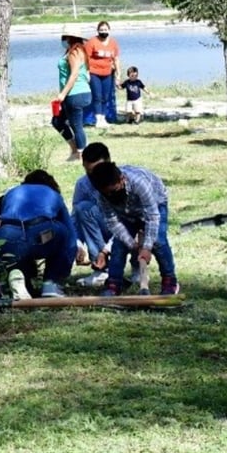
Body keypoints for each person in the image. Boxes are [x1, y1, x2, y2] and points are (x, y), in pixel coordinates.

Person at [88, 160, 180, 297]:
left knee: (158, 241)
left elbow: (152, 217)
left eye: (113, 191)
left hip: (155, 204)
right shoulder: (102, 196)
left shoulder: (140, 184)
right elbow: (113, 222)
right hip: (125, 211)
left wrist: (147, 247)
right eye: (106, 193)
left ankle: (170, 281)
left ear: (122, 179)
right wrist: (132, 245)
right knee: (119, 245)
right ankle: (114, 284)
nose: (110, 196)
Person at [0, 170, 77, 298]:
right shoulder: (53, 194)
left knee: (16, 242)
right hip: (39, 236)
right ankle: (51, 284)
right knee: (63, 232)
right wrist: (69, 259)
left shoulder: (11, 193)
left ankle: (19, 278)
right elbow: (71, 233)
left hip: (6, 239)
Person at [72, 141, 138, 288]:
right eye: (90, 173)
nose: (95, 177)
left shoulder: (123, 182)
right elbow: (75, 218)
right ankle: (101, 269)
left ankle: (137, 268)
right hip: (104, 229)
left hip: (127, 228)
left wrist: (107, 249)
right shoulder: (82, 185)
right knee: (83, 208)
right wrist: (77, 245)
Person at [51, 24, 92, 162]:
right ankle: (74, 149)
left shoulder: (74, 52)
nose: (63, 40)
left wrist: (63, 93)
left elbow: (74, 74)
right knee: (57, 121)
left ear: (70, 38)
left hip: (75, 94)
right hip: (79, 93)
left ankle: (81, 155)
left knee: (76, 125)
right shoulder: (76, 51)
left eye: (65, 37)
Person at [85, 20, 120, 127]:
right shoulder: (92, 41)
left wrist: (118, 73)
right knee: (97, 96)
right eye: (101, 30)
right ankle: (98, 118)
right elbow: (86, 58)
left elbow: (116, 59)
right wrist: (86, 72)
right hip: (94, 72)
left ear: (109, 30)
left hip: (108, 73)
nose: (103, 31)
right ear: (98, 30)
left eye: (105, 29)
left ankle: (103, 118)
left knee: (106, 96)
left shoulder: (113, 43)